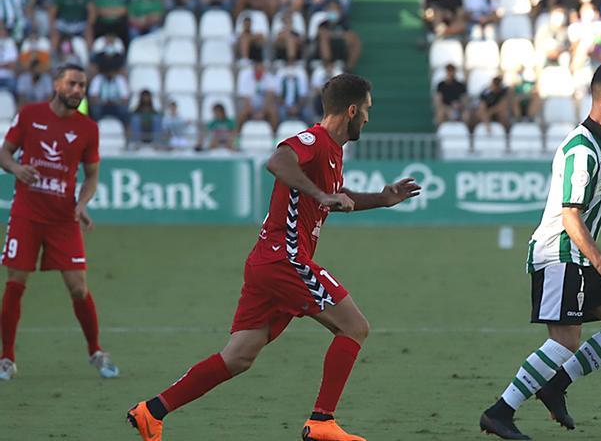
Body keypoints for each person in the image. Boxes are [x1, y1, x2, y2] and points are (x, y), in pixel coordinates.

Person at [127, 74, 422, 441]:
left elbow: (335, 194)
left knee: (238, 356)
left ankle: (151, 411)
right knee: (354, 326)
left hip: (268, 261)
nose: (368, 118)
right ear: (351, 110)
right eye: (366, 110)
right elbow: (278, 161)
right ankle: (322, 422)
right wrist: (323, 195)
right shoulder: (312, 140)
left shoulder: (332, 150)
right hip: (286, 258)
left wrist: (380, 198)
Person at [480, 63, 601, 440]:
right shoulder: (580, 149)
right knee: (565, 340)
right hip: (558, 254)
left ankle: (554, 385)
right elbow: (570, 215)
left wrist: (596, 262)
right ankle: (500, 411)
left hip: (584, 256)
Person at [0, 63, 119, 381]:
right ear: (56, 85)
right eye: (72, 84)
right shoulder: (29, 115)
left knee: (78, 287)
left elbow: (92, 175)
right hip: (26, 213)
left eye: (82, 86)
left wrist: (82, 204)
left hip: (63, 218)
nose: (78, 91)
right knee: (15, 282)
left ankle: (95, 351)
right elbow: (5, 153)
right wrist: (16, 169)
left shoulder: (88, 128)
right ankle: (7, 358)